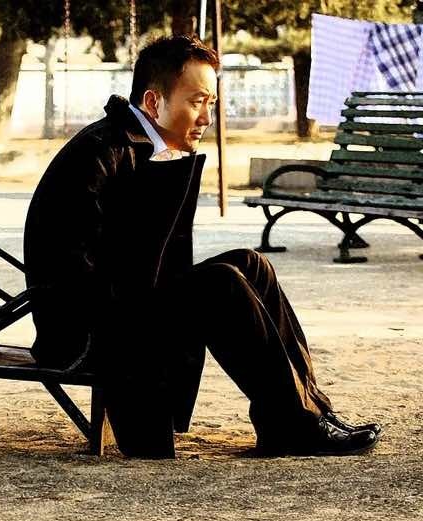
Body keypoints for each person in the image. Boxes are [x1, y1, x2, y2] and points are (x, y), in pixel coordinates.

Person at [23, 35, 381, 459]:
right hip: (85, 328)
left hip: (124, 305)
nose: (207, 117)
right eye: (197, 102)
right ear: (153, 102)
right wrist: (153, 299)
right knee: (221, 283)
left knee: (252, 263)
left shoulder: (140, 142)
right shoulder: (103, 151)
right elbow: (71, 269)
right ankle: (295, 424)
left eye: (211, 102)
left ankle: (305, 411)